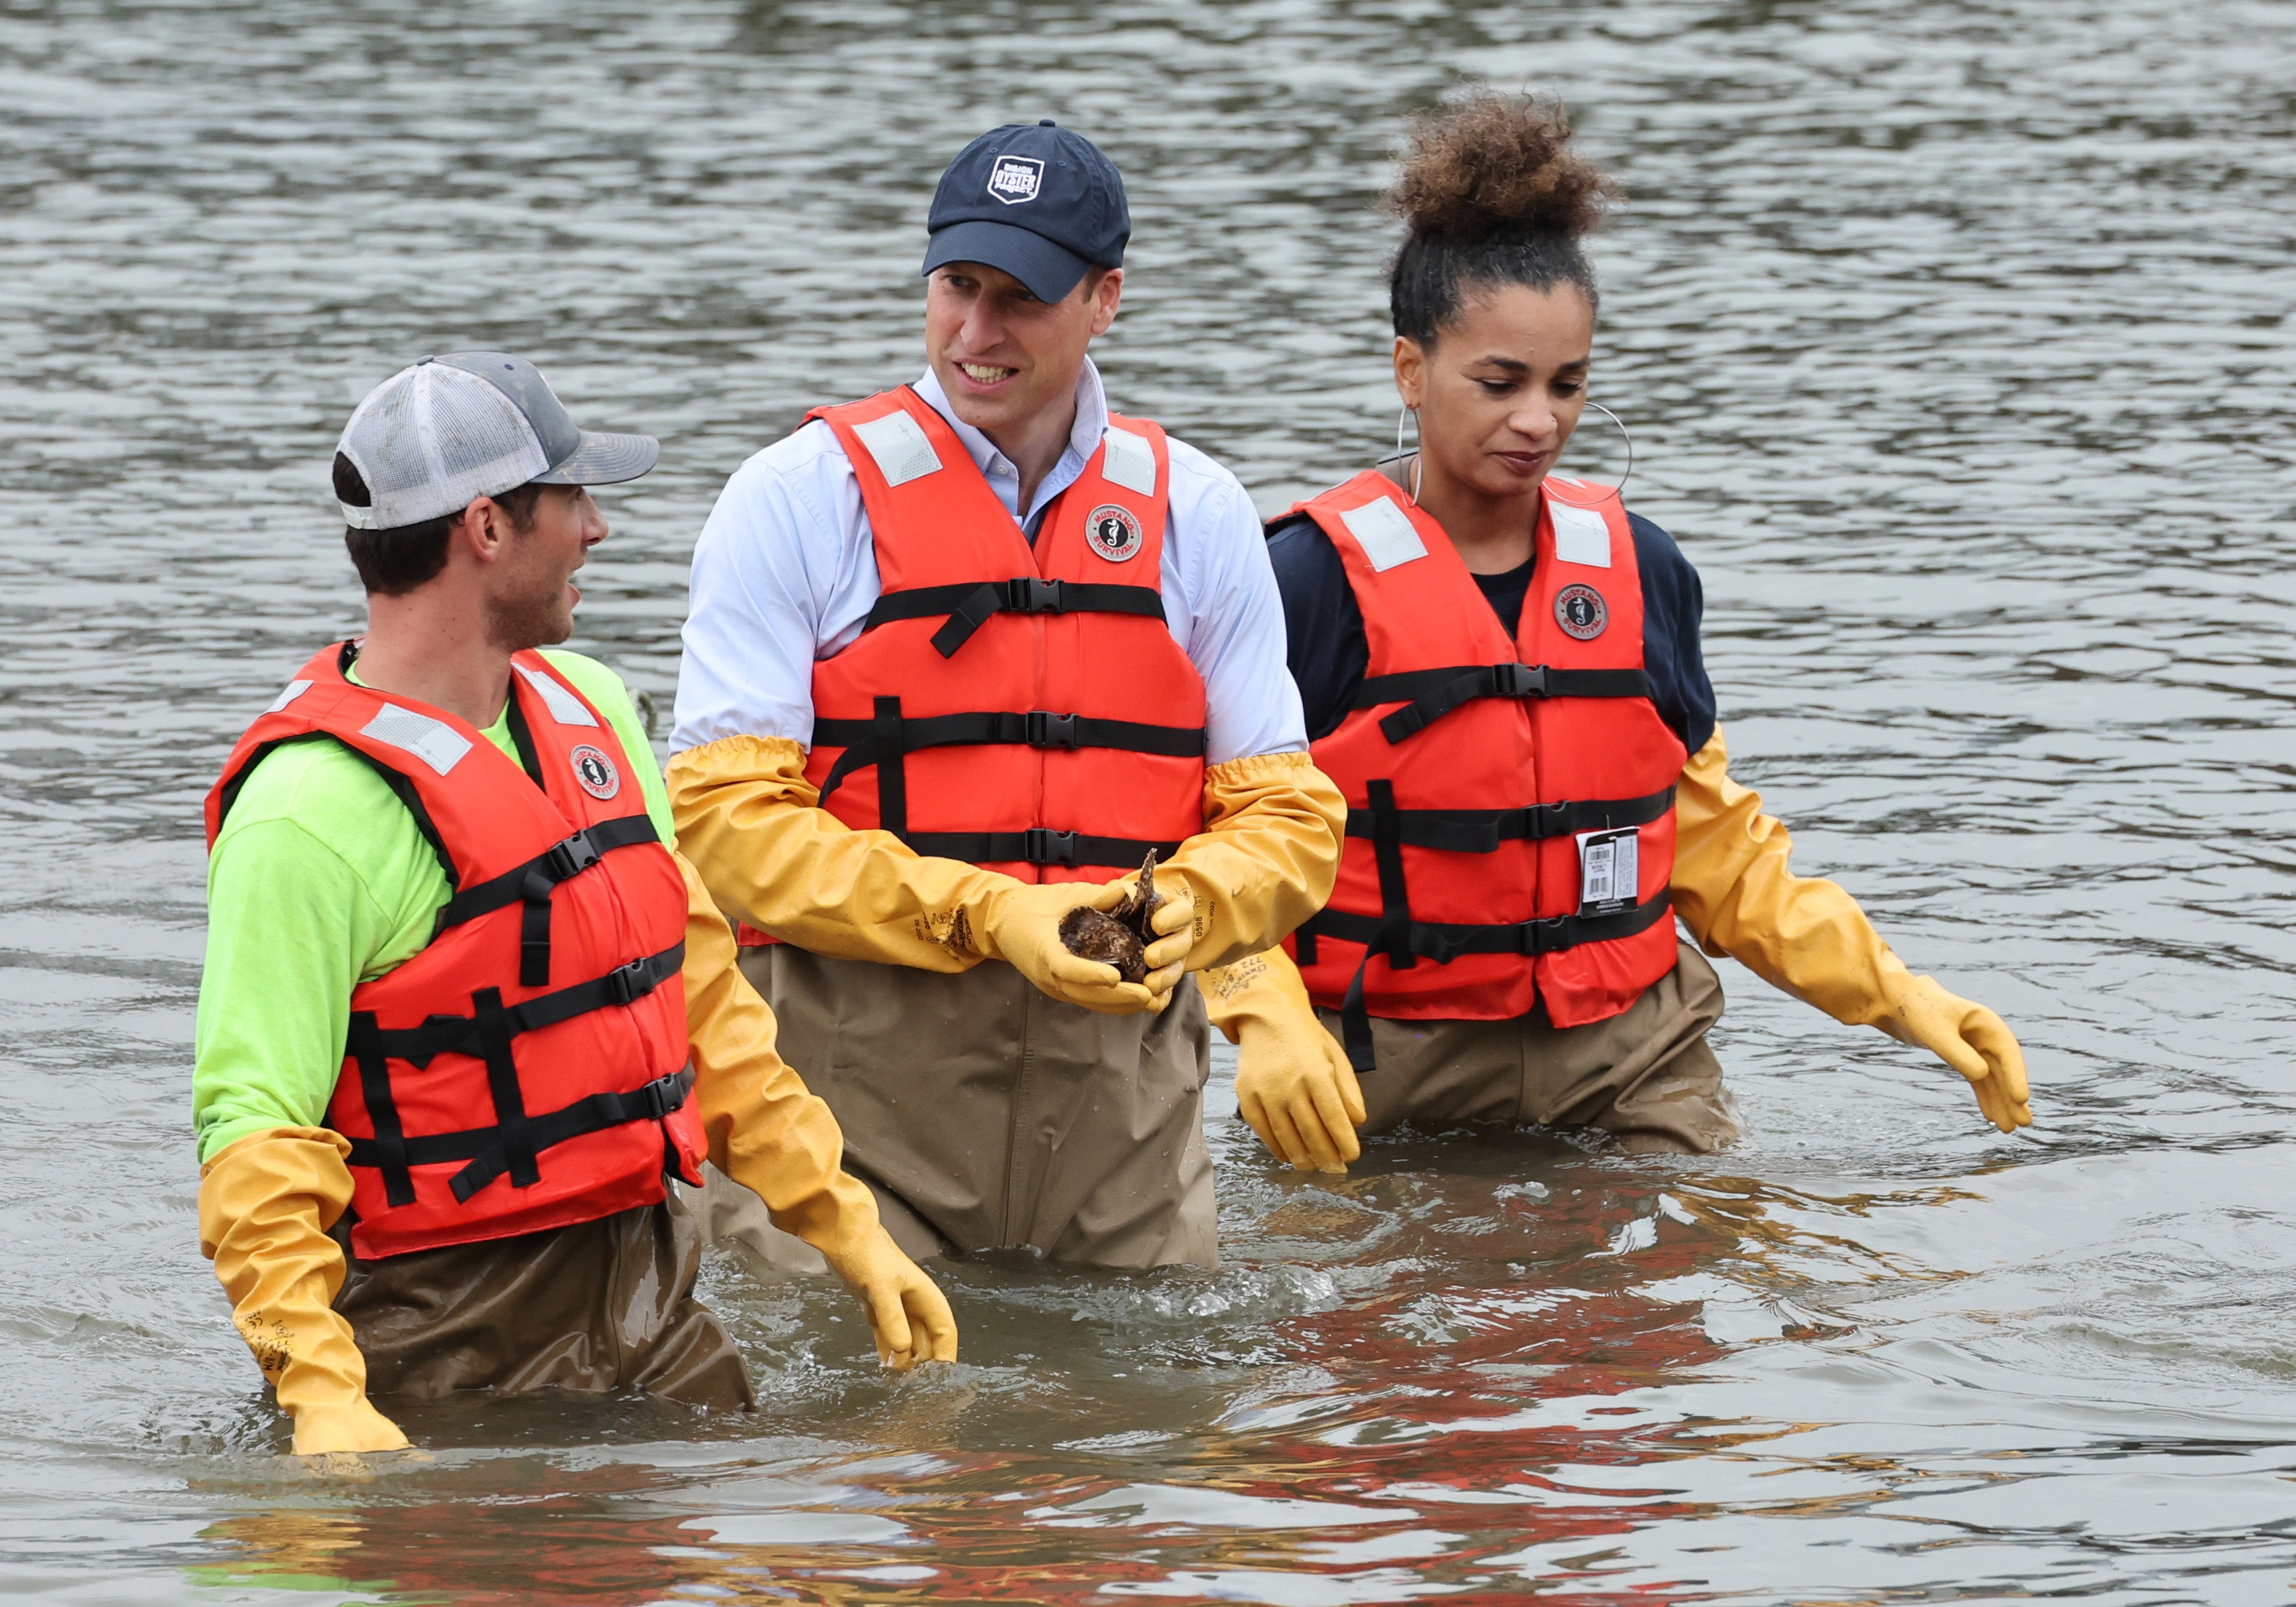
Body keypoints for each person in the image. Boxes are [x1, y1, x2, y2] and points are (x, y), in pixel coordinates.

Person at [1201, 97, 2033, 1172]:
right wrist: (1261, 1017)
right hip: (1375, 1061)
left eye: (1567, 385)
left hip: (1630, 1055)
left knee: (1684, 1306)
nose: (1538, 420)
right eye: (1498, 383)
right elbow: (1212, 838)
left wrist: (1904, 1000)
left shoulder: (1641, 572)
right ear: (1410, 371)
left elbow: (1716, 849)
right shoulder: (1302, 580)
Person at [195, 354, 957, 1458]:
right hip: (437, 1346)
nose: (597, 527)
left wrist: (845, 1223)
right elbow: (254, 1130)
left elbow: (699, 1002)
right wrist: (321, 1394)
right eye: (571, 500)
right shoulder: (304, 813)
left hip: (650, 1301)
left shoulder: (590, 706)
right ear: (488, 529)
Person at [669, 121, 1343, 1270]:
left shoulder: (1204, 511)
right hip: (849, 1113)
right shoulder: (791, 498)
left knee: (1140, 1441)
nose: (975, 333)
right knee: (849, 1437)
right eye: (955, 286)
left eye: (1020, 298)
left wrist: (1193, 901)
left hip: (1122, 1125)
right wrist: (989, 914)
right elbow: (727, 829)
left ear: (1104, 299)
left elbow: (1289, 821)